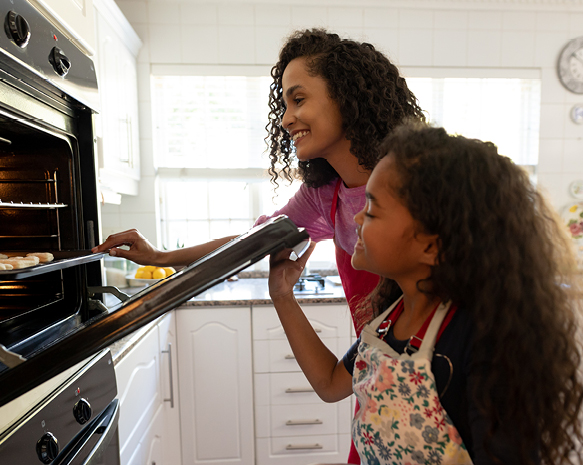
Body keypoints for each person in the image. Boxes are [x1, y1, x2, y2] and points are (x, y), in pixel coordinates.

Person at [267, 122, 583, 465]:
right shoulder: (389, 319)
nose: (359, 216)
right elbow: (330, 383)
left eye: (373, 209)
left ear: (431, 245)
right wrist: (282, 295)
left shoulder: (482, 338)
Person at [92, 29, 424, 337]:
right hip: (378, 372)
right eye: (285, 104)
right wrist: (160, 257)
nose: (285, 118)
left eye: (299, 99)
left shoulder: (419, 180)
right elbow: (252, 243)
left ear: (346, 97)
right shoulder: (325, 196)